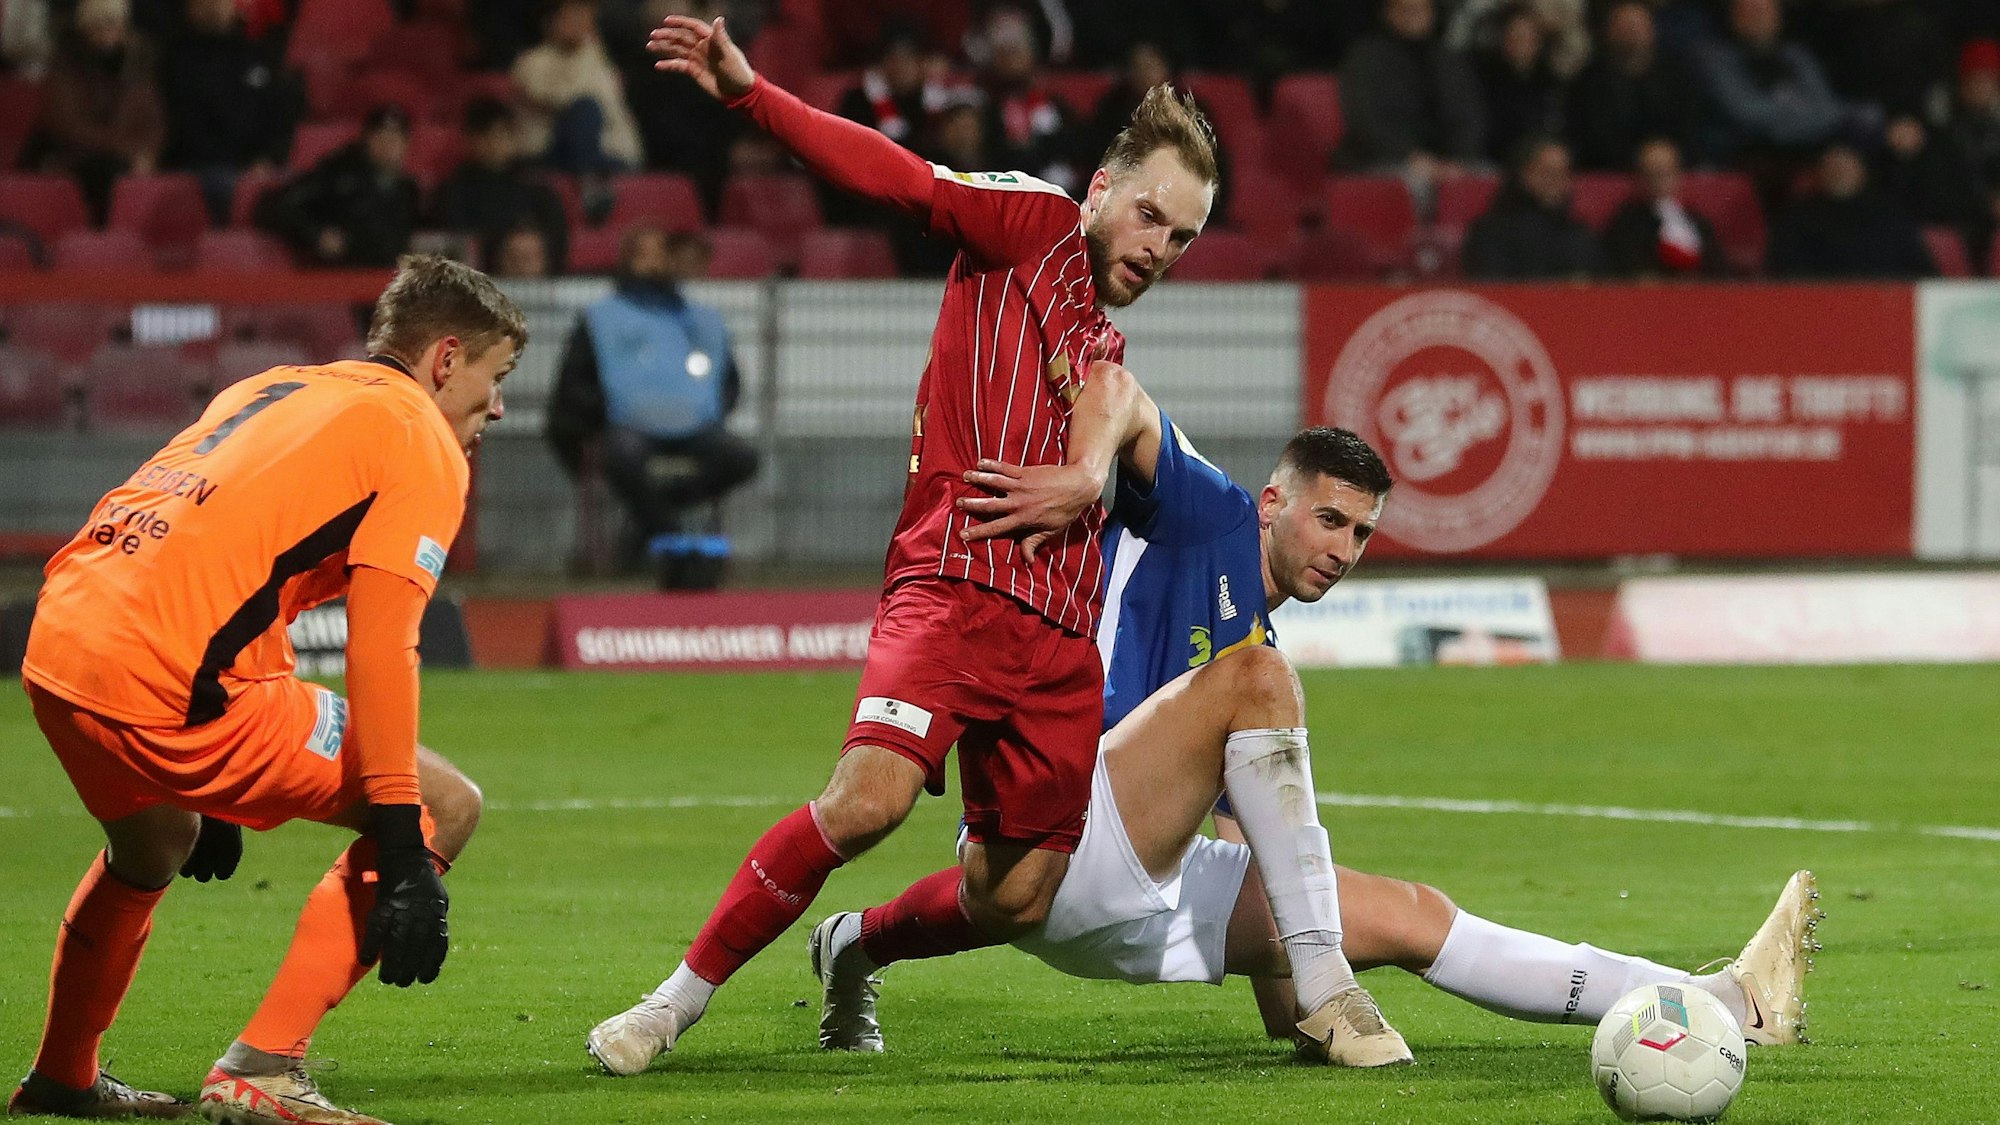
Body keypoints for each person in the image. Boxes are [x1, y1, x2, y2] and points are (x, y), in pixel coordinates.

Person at [586, 13, 1216, 1075]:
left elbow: (1116, 413)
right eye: (1150, 216)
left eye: (1182, 238)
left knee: (1015, 896)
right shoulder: (1029, 224)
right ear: (1102, 192)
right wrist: (751, 94)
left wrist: (1091, 473)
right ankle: (668, 1006)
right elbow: (894, 175)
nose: (1157, 248)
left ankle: (854, 947)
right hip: (953, 586)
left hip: (1058, 636)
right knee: (867, 801)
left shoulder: (1100, 342)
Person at [814, 402, 1821, 1061]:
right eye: (1328, 521)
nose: (1340, 550)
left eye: (1360, 535)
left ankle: (1722, 1001)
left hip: (1125, 878)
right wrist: (1083, 471)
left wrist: (1291, 995)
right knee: (1254, 679)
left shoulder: (1251, 668)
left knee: (1409, 914)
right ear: (1272, 503)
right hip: (1065, 815)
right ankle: (853, 943)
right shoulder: (1200, 513)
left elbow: (1253, 840)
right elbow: (1113, 384)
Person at [7, 256, 524, 1123]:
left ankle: (63, 1074)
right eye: (495, 375)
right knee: (447, 803)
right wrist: (402, 839)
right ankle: (264, 1067)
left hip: (61, 642)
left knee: (154, 842)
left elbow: (229, 555)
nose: (498, 405)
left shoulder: (279, 388)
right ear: (445, 359)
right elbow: (385, 645)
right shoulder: (419, 439)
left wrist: (203, 785)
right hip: (166, 681)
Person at [546, 224, 759, 588]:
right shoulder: (602, 318)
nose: (660, 261)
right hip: (628, 427)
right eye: (649, 252)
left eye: (664, 252)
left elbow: (729, 381)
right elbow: (574, 385)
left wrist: (706, 408)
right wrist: (606, 411)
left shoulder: (703, 320)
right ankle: (676, 539)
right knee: (622, 458)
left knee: (741, 459)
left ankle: (651, 522)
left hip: (697, 427)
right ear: (628, 259)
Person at [157, 0, 299, 225]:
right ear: (191, 10)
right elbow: (185, 124)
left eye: (221, 2)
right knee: (232, 189)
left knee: (301, 192)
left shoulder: (258, 54)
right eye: (206, 3)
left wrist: (268, 159)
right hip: (204, 165)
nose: (215, 9)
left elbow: (280, 116)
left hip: (258, 164)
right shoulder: (176, 59)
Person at [28, 0, 164, 224]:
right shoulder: (66, 69)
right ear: (85, 29)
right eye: (99, 26)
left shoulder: (136, 69)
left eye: (114, 26)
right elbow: (68, 127)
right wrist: (124, 150)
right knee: (109, 171)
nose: (107, 34)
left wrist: (145, 153)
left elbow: (153, 123)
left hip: (120, 159)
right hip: (72, 158)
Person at [1338, 0, 1485, 198]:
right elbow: (1365, 121)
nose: (1414, 14)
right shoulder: (1365, 58)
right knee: (1417, 190)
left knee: (1488, 181)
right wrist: (1410, 157)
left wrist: (1458, 158)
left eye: (1421, 9)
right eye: (1405, 9)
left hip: (1446, 160)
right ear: (1388, 13)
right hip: (1383, 157)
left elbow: (1469, 115)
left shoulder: (1448, 59)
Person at [255, 104, 421, 269]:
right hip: (338, 275)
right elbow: (281, 206)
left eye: (394, 140)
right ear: (367, 141)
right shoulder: (336, 174)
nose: (387, 147)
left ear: (406, 145)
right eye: (381, 138)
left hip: (386, 280)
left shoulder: (408, 190)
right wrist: (317, 234)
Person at [1694, 0, 1848, 165]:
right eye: (1750, 11)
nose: (1759, 17)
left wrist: (1788, 123)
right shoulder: (1714, 58)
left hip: (1810, 150)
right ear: (1734, 15)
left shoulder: (1797, 56)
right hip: (1746, 155)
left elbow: (1829, 110)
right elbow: (1745, 112)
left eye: (1765, 11)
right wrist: (1801, 112)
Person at [432, 97, 570, 276]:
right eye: (485, 134)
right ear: (470, 139)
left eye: (502, 133)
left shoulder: (537, 188)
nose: (494, 143)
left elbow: (556, 246)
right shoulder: (452, 193)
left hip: (540, 288)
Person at [1565, 0, 1706, 172]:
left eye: (1638, 25)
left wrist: (1664, 155)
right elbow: (1587, 137)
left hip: (1669, 169)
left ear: (1653, 29)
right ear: (1609, 31)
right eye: (1624, 26)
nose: (1633, 32)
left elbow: (1690, 128)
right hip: (1609, 172)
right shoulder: (1589, 81)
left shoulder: (1678, 76)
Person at [513, 0, 645, 175]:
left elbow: (608, 103)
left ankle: (591, 175)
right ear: (551, 21)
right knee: (585, 108)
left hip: (607, 153)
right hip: (552, 153)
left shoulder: (597, 58)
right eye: (574, 15)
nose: (581, 22)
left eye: (586, 15)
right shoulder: (532, 61)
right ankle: (588, 178)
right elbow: (557, 99)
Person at [1767, 141, 1934, 279]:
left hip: (1886, 307)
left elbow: (1923, 274)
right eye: (1832, 166)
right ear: (1820, 172)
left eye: (1846, 166)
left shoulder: (1891, 217)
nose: (1840, 172)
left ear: (1862, 171)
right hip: (1819, 308)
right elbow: (1785, 274)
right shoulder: (1798, 219)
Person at [1462, 134, 1599, 279]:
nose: (1556, 181)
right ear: (1523, 174)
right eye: (1547, 172)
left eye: (1563, 173)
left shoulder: (1578, 234)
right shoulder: (1491, 233)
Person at [1602, 137, 1727, 277]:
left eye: (1666, 173)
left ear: (1678, 174)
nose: (1659, 181)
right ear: (1639, 177)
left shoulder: (1696, 219)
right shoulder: (1626, 224)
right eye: (1652, 174)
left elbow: (1718, 269)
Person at [1473, 3, 1566, 166]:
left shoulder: (1551, 83)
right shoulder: (1484, 82)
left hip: (1542, 162)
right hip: (1497, 162)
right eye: (1515, 36)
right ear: (1503, 39)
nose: (1522, 43)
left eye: (1528, 37)